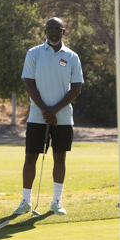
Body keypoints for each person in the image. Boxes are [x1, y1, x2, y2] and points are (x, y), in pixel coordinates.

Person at [12, 17, 83, 216]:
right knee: (31, 157)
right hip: (37, 116)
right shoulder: (33, 53)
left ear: (63, 32)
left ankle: (56, 201)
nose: (54, 32)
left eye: (57, 29)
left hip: (62, 117)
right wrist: (45, 110)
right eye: (50, 29)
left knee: (60, 157)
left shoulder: (72, 56)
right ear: (44, 31)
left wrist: (54, 110)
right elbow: (29, 84)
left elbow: (76, 88)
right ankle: (26, 201)